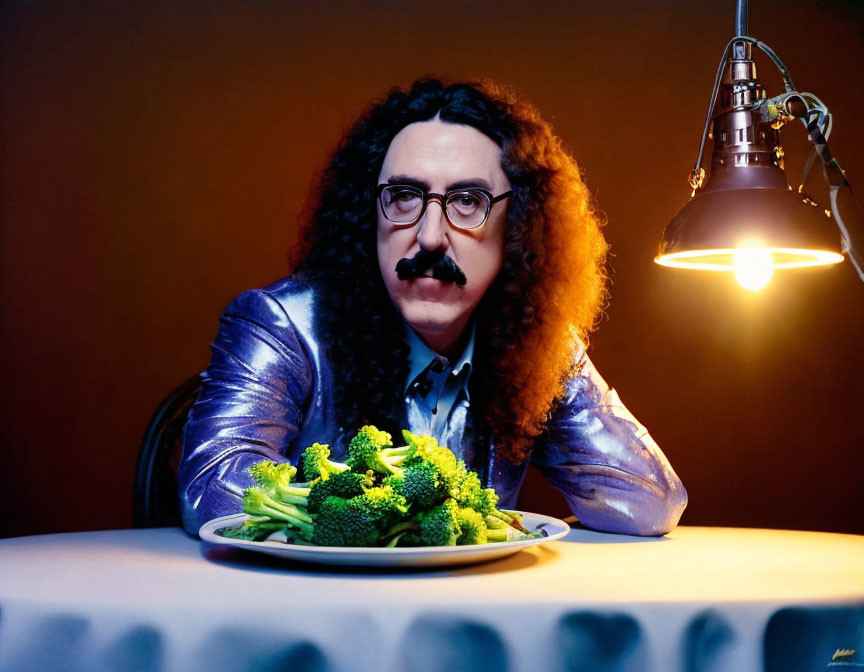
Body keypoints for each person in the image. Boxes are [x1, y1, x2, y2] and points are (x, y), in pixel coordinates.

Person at [178, 78, 687, 538]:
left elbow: (649, 501)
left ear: (518, 227)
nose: (429, 237)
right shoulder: (279, 324)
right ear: (366, 213)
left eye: (467, 201)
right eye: (403, 196)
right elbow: (214, 491)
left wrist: (556, 349)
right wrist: (401, 522)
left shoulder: (536, 344)